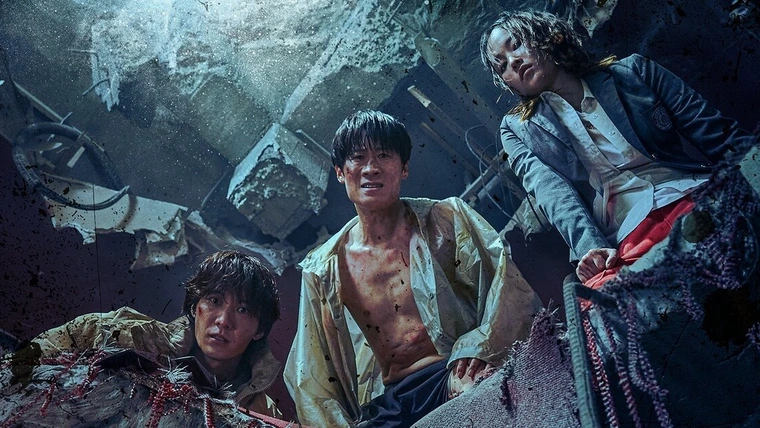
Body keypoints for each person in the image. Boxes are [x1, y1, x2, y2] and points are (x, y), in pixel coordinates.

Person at [284, 110, 541, 427]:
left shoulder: (445, 218)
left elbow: (506, 288)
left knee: (481, 396)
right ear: (340, 172)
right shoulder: (324, 268)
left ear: (404, 168)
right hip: (392, 399)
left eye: (383, 155)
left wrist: (478, 350)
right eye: (358, 158)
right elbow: (311, 375)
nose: (371, 168)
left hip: (452, 369)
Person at [480, 10, 755, 288]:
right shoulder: (517, 130)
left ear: (546, 37)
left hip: (687, 192)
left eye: (516, 45)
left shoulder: (633, 72)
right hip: (625, 238)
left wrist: (753, 168)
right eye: (502, 66)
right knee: (601, 298)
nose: (513, 62)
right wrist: (591, 248)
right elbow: (552, 194)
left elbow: (711, 129)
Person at [8, 250, 282, 417]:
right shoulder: (120, 332)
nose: (223, 321)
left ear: (259, 330)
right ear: (194, 307)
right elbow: (19, 369)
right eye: (214, 301)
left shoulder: (264, 414)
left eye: (243, 309)